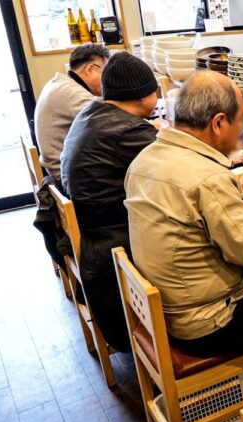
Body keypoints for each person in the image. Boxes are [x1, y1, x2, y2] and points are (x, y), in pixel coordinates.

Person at [125, 71, 243, 367]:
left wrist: (236, 188)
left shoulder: (145, 159)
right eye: (239, 121)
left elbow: (189, 209)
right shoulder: (208, 178)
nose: (240, 130)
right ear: (219, 122)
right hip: (208, 322)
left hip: (171, 308)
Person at [60, 51, 159, 352]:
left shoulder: (92, 112)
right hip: (116, 243)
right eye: (154, 89)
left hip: (96, 237)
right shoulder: (129, 130)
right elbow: (178, 169)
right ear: (142, 94)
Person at [34, 44, 109, 179]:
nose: (107, 79)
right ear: (90, 69)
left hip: (56, 167)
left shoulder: (58, 83)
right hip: (66, 175)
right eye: (106, 72)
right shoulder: (74, 93)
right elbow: (108, 125)